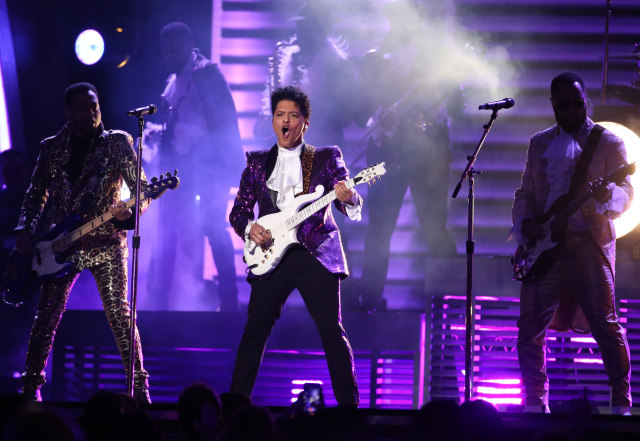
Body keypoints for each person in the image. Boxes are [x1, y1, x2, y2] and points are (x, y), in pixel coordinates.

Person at [13, 82, 151, 403]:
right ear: (68, 113)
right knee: (47, 314)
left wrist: (126, 214)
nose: (91, 113)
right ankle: (30, 388)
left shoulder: (118, 143)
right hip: (62, 245)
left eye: (95, 106)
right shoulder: (52, 148)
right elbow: (36, 194)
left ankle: (140, 389)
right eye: (82, 108)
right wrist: (25, 229)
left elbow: (141, 189)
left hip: (106, 241)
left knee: (119, 313)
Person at [229, 85, 360, 406]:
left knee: (331, 331)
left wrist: (350, 196)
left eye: (293, 115)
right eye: (280, 115)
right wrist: (251, 228)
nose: (286, 121)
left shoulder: (327, 157)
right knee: (254, 331)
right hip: (272, 256)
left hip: (315, 252)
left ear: (305, 123)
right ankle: (235, 407)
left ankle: (350, 411)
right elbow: (238, 213)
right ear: (273, 120)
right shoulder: (258, 163)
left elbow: (347, 198)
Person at [511, 72, 632, 414]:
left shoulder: (608, 142)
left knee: (606, 325)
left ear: (585, 100)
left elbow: (627, 192)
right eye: (563, 105)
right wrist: (526, 222)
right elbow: (527, 192)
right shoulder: (539, 143)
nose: (571, 111)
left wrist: (610, 195)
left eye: (577, 104)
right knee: (529, 328)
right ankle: (535, 403)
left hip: (588, 246)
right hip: (545, 251)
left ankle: (621, 403)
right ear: (553, 105)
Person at [356, 0, 460, 312]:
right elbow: (360, 107)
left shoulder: (438, 59)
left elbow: (457, 106)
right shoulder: (376, 59)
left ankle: (449, 300)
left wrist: (445, 83)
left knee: (434, 229)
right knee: (379, 228)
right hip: (385, 152)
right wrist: (378, 116)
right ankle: (370, 299)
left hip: (428, 154)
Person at [146, 22, 243, 311]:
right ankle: (161, 301)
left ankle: (229, 303)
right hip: (184, 168)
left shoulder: (206, 74)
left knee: (212, 227)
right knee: (170, 227)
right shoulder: (175, 79)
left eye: (173, 50)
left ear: (188, 45)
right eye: (165, 52)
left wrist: (225, 166)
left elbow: (224, 123)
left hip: (210, 166)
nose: (169, 56)